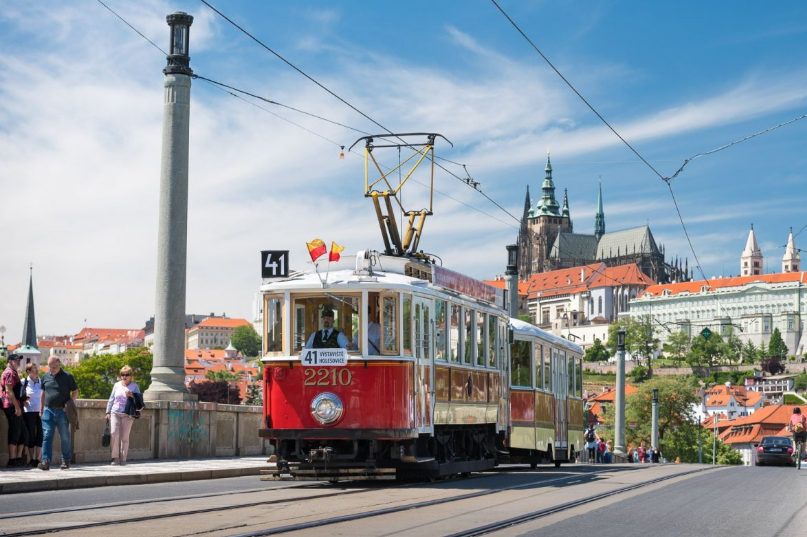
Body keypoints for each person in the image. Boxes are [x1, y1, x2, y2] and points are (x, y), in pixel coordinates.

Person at [39, 357, 78, 471]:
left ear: (59, 364)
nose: (52, 369)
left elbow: (75, 392)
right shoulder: (45, 376)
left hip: (62, 411)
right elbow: (43, 394)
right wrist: (41, 409)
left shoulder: (68, 376)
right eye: (50, 367)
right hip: (48, 410)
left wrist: (70, 404)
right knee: (47, 436)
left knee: (64, 437)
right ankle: (45, 461)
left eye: (54, 367)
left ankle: (66, 460)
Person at [105, 366, 141, 466]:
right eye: (122, 375)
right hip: (115, 412)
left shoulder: (134, 386)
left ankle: (123, 459)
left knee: (125, 437)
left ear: (131, 376)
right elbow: (111, 398)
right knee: (114, 434)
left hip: (128, 414)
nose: (124, 377)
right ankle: (115, 458)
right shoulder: (116, 385)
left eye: (126, 375)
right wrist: (108, 412)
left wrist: (132, 395)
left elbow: (140, 400)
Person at [1, 354, 27, 468]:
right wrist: (17, 407)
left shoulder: (13, 372)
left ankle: (18, 458)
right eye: (16, 361)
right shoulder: (10, 373)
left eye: (19, 361)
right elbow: (9, 391)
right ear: (10, 361)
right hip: (11, 405)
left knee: (22, 433)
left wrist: (22, 400)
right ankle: (12, 460)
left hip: (15, 404)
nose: (19, 363)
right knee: (15, 432)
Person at [22, 362, 43, 468]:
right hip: (28, 411)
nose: (37, 370)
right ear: (28, 372)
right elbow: (18, 395)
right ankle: (31, 458)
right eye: (34, 369)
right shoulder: (24, 382)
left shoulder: (41, 382)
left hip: (40, 412)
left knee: (40, 435)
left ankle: (37, 459)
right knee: (31, 436)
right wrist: (23, 399)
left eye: (37, 368)